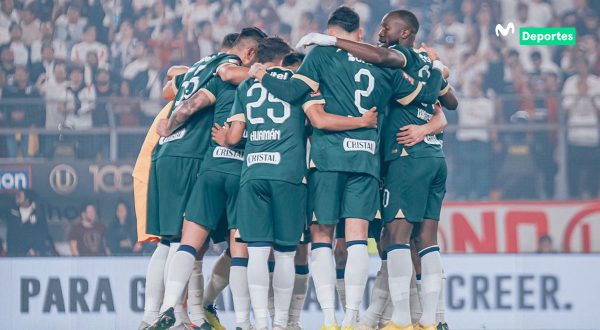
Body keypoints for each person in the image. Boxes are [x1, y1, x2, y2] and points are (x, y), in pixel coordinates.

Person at [250, 7, 445, 329]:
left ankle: (331, 319)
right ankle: (355, 316)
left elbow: (292, 92)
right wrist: (435, 71)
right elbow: (423, 97)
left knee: (322, 236)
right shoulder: (379, 61)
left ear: (330, 31)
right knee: (357, 240)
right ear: (357, 33)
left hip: (328, 158)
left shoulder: (320, 56)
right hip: (366, 159)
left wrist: (262, 75)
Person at [219, 36, 377, 330]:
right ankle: (282, 323)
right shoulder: (297, 84)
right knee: (285, 253)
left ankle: (260, 322)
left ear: (260, 59)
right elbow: (319, 120)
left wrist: (226, 138)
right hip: (289, 176)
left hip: (252, 174)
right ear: (282, 59)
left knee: (256, 251)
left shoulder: (245, 87)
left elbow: (234, 135)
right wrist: (361, 122)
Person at [139, 28, 266, 330]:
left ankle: (189, 316)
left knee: (184, 242)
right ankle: (160, 316)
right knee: (178, 243)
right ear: (248, 54)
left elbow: (169, 87)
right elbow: (195, 100)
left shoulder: (202, 65)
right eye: (256, 59)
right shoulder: (226, 72)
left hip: (166, 155)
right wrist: (169, 123)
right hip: (192, 156)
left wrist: (170, 122)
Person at [5, 190, 54, 256]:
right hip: (15, 253)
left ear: (27, 199)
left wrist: (35, 249)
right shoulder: (12, 212)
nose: (16, 197)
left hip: (33, 254)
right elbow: (11, 234)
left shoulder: (38, 214)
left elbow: (42, 234)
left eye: (19, 196)